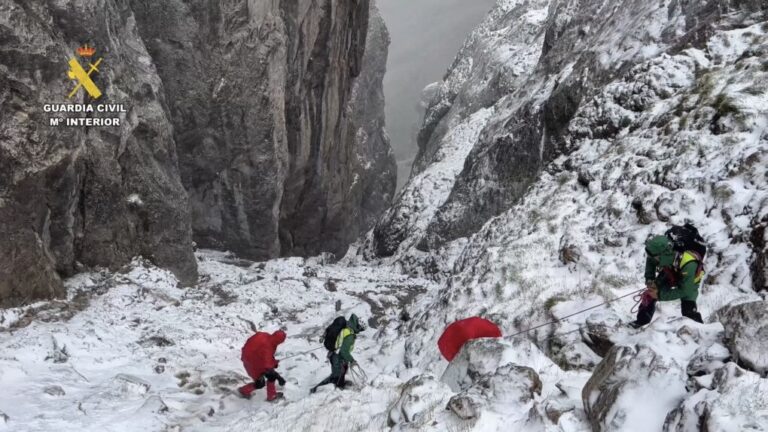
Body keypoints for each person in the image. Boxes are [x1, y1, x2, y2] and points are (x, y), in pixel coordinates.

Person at [630, 235, 705, 328]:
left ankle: (700, 329)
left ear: (664, 254)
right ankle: (640, 322)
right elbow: (651, 260)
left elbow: (686, 291)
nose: (654, 259)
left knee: (688, 309)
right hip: (670, 270)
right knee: (650, 294)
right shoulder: (662, 255)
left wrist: (659, 295)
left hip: (689, 280)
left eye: (656, 257)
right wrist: (650, 280)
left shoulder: (689, 264)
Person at [310, 314, 365, 393]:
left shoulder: (346, 326)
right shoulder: (350, 334)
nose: (360, 331)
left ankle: (334, 389)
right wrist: (352, 361)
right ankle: (316, 391)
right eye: (361, 329)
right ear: (359, 326)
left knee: (338, 376)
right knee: (335, 377)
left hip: (334, 355)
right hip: (337, 357)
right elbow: (344, 351)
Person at [238, 330, 287, 401]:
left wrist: (273, 362)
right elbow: (268, 365)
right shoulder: (268, 347)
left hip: (249, 357)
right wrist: (278, 377)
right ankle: (243, 391)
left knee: (269, 375)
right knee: (261, 383)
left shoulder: (264, 335)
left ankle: (271, 395)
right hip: (253, 364)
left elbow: (265, 356)